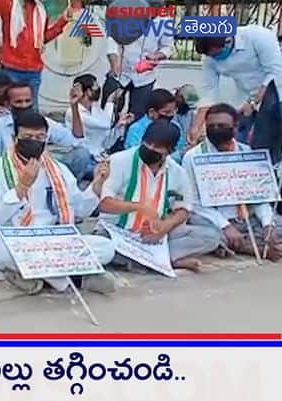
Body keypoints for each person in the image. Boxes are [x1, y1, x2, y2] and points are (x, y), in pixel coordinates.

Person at [0, 111, 116, 294]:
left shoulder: (59, 170)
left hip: (53, 239)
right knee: (2, 254)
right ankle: (78, 277)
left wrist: (98, 182)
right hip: (13, 239)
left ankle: (34, 275)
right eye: (28, 137)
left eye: (40, 137)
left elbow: (80, 210)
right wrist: (22, 187)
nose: (34, 141)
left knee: (106, 247)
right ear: (15, 138)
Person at [98, 120, 221, 272]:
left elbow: (183, 209)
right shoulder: (119, 160)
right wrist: (139, 207)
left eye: (157, 148)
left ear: (170, 151)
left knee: (212, 236)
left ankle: (150, 260)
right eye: (148, 144)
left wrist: (164, 226)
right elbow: (105, 204)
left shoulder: (177, 172)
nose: (150, 149)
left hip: (157, 235)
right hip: (118, 231)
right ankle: (166, 260)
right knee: (103, 245)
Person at [182, 103, 282, 261]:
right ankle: (248, 247)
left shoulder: (247, 153)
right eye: (211, 126)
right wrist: (225, 226)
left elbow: (259, 196)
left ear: (235, 127)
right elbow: (193, 201)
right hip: (215, 220)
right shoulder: (193, 157)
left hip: (247, 218)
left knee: (275, 226)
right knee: (208, 235)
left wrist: (268, 225)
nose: (215, 129)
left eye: (221, 125)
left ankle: (246, 244)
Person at [188, 25, 282, 145]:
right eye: (211, 56)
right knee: (241, 142)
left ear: (228, 40)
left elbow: (275, 73)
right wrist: (196, 127)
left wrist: (254, 103)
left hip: (277, 95)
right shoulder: (210, 58)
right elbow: (209, 93)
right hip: (252, 100)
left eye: (217, 54)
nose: (215, 58)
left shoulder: (258, 36)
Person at [0, 80, 88, 179]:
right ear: (7, 105)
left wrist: (74, 106)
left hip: (43, 170)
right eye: (18, 102)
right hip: (12, 174)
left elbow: (76, 140)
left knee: (82, 154)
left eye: (27, 101)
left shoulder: (44, 122)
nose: (24, 105)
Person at [0, 0, 73, 108]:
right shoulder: (9, 5)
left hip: (33, 72)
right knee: (9, 111)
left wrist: (63, 21)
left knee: (32, 112)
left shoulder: (41, 10)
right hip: (11, 70)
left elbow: (42, 39)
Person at [64, 74, 132, 179]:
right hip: (84, 160)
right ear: (86, 91)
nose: (98, 91)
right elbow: (105, 125)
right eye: (95, 88)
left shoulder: (96, 109)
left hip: (99, 158)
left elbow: (105, 143)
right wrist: (110, 102)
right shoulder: (72, 112)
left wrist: (119, 126)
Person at [106, 15, 174, 120]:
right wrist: (114, 61)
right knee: (108, 111)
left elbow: (168, 47)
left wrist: (156, 56)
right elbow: (112, 39)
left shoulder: (165, 21)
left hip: (145, 77)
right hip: (120, 73)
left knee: (137, 116)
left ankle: (130, 136)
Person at [124, 88, 186, 162]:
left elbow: (181, 149)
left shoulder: (175, 126)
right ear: (152, 112)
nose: (171, 115)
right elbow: (136, 156)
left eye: (173, 111)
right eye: (166, 112)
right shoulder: (136, 130)